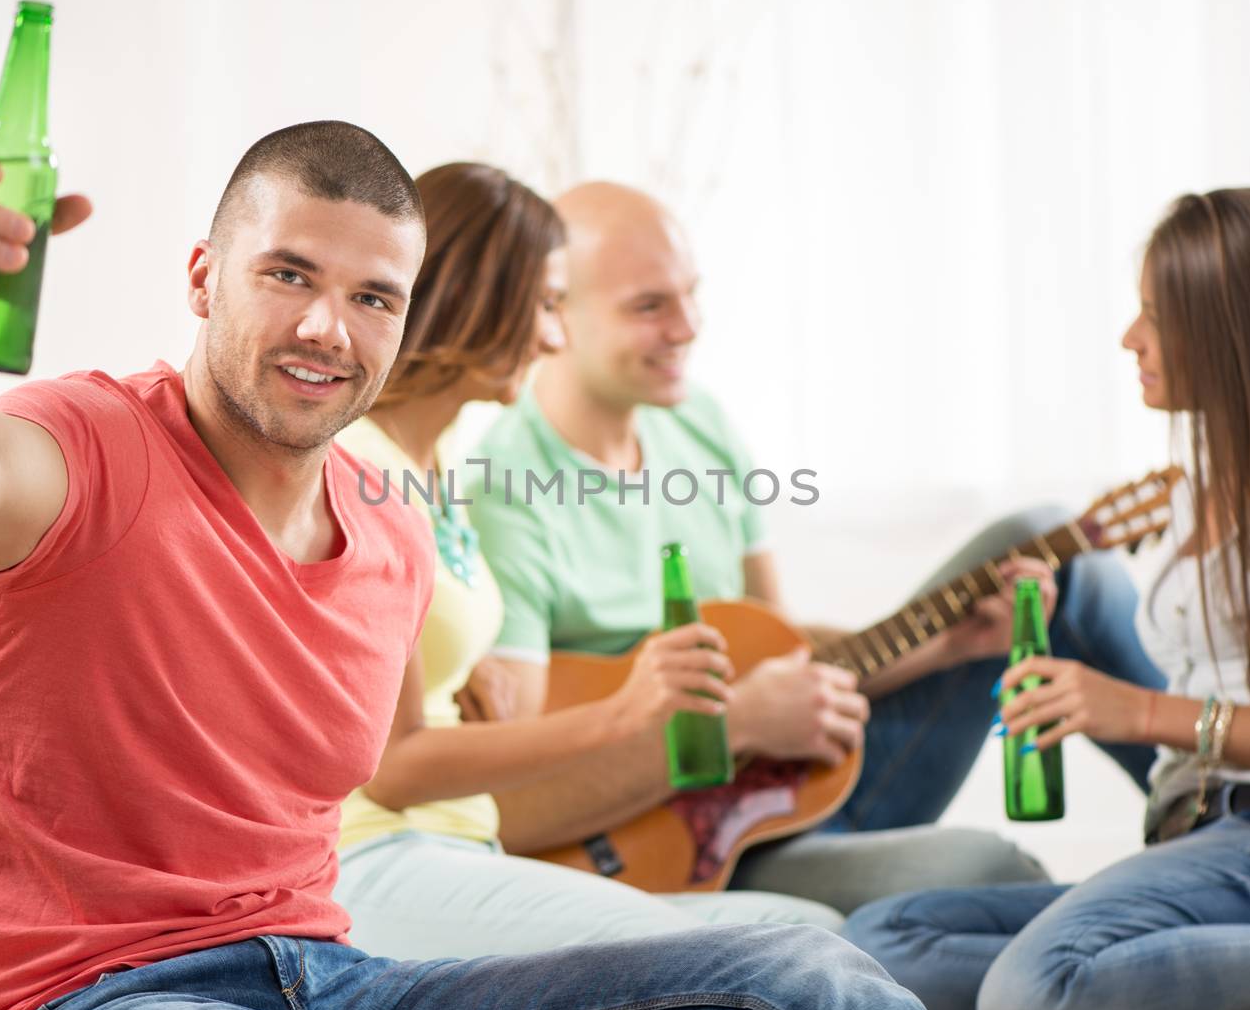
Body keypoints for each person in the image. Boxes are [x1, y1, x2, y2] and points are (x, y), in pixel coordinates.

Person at [0, 123, 923, 1010]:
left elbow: (403, 761)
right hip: (98, 987)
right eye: (287, 275)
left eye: (374, 297)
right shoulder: (90, 443)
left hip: (329, 976)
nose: (328, 327)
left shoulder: (394, 543)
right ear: (203, 279)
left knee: (804, 974)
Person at [461, 181, 1164, 915]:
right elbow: (506, 808)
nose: (689, 326)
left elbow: (783, 651)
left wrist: (948, 647)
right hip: (702, 853)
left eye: (691, 295)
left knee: (1049, 544)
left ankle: (1211, 809)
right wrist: (733, 725)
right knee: (995, 868)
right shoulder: (505, 498)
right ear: (555, 313)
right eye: (650, 306)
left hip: (799, 779)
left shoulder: (698, 424)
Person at [843, 187, 1250, 1010]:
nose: (1130, 339)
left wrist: (1135, 711)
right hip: (1195, 837)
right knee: (875, 948)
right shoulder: (1188, 499)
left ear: (1235, 330)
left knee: (1030, 989)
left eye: (1157, 316)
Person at [332, 161, 849, 959]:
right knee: (783, 960)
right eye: (542, 305)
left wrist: (457, 669)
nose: (551, 338)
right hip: (381, 854)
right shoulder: (367, 467)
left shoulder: (444, 458)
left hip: (463, 843)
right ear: (481, 302)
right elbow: (393, 770)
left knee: (815, 932)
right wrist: (629, 708)